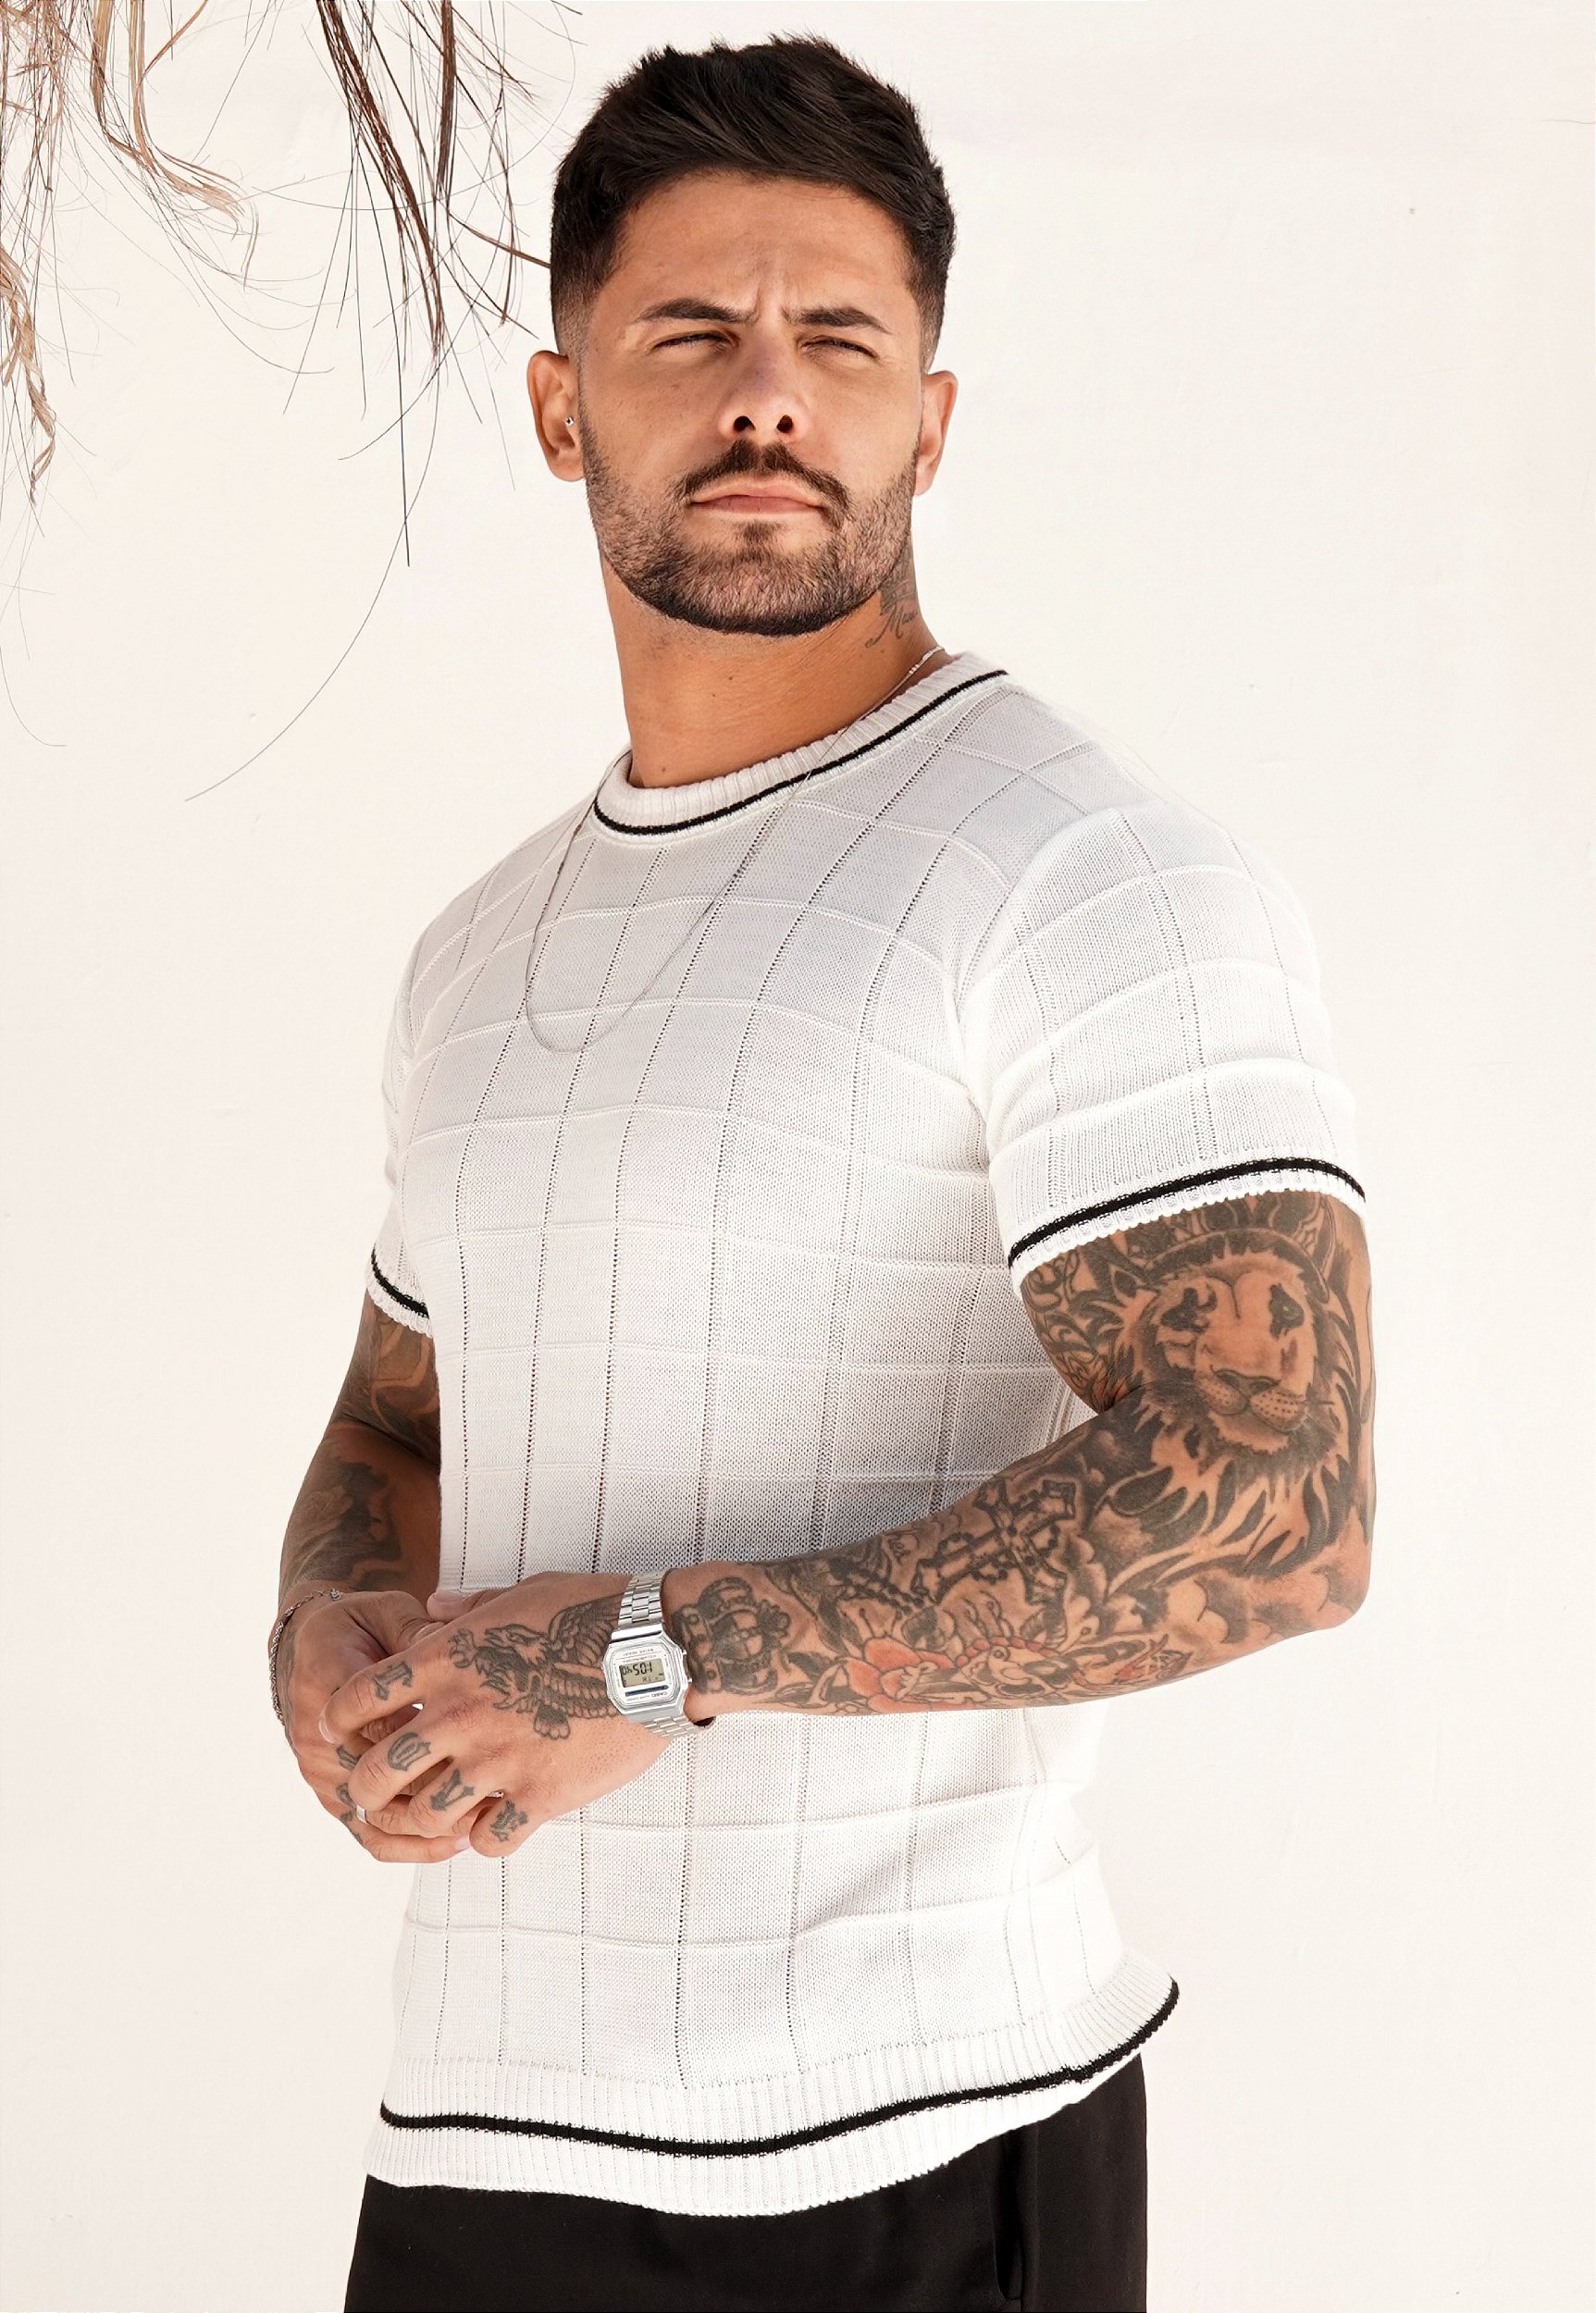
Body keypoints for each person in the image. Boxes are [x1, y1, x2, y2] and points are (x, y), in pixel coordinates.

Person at [266, 34, 1376, 2313]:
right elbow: (396, 1422)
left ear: (926, 423)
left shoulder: (1076, 869)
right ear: (562, 405)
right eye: (689, 331)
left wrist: (648, 1653)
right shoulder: (477, 950)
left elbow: (1280, 1500)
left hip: (908, 2133)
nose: (765, 393)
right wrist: (325, 1622)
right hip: (474, 2134)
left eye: (837, 341)